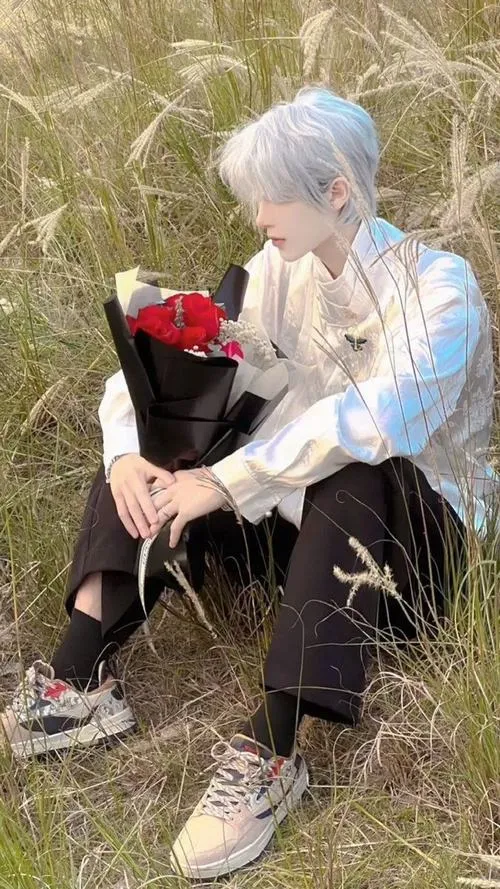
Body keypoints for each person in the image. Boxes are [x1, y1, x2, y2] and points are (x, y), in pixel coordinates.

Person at [2, 85, 497, 880]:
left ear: (336, 192)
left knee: (356, 465)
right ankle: (80, 675)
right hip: (308, 542)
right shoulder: (278, 271)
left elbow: (373, 421)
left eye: (273, 196)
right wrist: (127, 451)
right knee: (169, 429)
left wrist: (230, 482)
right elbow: (176, 360)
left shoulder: (441, 290)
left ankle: (272, 748)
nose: (258, 215)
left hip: (419, 564)